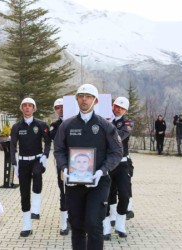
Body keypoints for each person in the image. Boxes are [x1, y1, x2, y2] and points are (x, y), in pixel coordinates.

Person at [54, 84, 123, 250]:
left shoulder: (105, 126)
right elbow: (59, 150)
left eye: (88, 96)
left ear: (96, 100)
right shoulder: (67, 125)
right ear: (76, 99)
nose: (84, 99)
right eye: (81, 96)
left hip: (98, 183)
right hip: (73, 183)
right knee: (76, 225)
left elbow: (117, 152)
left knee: (93, 224)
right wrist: (64, 168)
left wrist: (102, 170)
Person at [10, 97, 51, 237]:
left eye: (30, 106)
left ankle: (36, 209)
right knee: (24, 193)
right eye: (25, 106)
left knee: (37, 175)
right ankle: (27, 225)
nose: (27, 108)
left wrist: (45, 155)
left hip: (37, 160)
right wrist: (14, 164)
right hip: (23, 162)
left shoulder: (41, 124)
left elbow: (47, 141)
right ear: (21, 108)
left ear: (34, 108)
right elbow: (12, 146)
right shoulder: (16, 127)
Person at [103, 97, 133, 240]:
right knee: (106, 196)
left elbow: (121, 135)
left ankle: (120, 225)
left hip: (122, 164)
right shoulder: (105, 119)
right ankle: (106, 226)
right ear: (112, 106)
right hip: (108, 163)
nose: (118, 109)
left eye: (121, 108)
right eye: (116, 106)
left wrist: (107, 128)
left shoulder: (127, 122)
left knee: (124, 195)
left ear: (125, 110)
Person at [49, 98, 69, 236]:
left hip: (78, 162)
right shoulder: (55, 125)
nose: (60, 109)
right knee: (63, 191)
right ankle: (64, 223)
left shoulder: (76, 121)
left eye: (62, 106)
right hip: (62, 162)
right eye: (57, 107)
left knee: (76, 192)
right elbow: (54, 138)